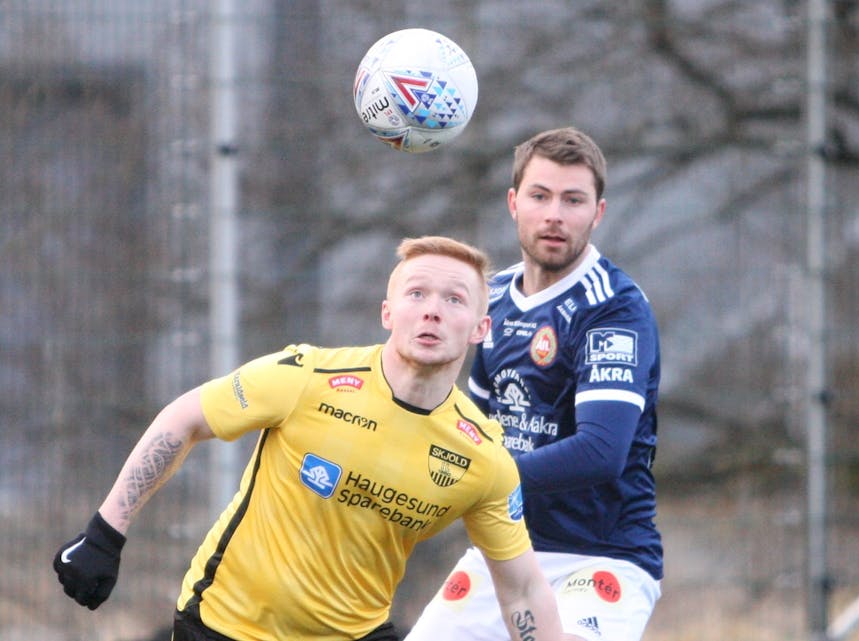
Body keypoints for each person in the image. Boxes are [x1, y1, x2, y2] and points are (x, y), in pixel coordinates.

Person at [53, 236, 572, 641]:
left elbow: (523, 588)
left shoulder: (481, 456)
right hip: (225, 626)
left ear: (481, 328)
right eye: (416, 293)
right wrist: (105, 534)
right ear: (388, 313)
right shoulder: (306, 376)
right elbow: (184, 419)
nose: (432, 309)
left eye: (453, 299)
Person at [406, 128, 663, 641]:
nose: (554, 215)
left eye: (573, 200)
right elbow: (464, 422)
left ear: (598, 213)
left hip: (601, 557)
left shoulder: (613, 308)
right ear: (513, 203)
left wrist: (477, 481)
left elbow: (601, 451)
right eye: (540, 196)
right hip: (503, 550)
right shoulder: (492, 296)